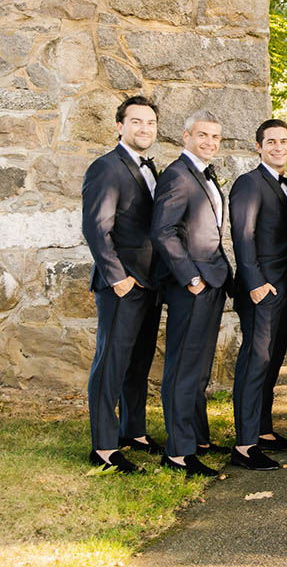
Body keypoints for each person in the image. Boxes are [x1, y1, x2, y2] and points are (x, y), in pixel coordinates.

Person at [81, 95, 165, 473]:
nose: (144, 128)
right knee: (111, 362)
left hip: (150, 284)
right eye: (136, 122)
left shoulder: (152, 169)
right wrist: (118, 279)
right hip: (122, 285)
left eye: (149, 123)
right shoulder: (106, 168)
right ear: (120, 126)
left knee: (139, 363)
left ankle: (135, 431)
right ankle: (103, 447)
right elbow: (96, 229)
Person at [150, 110, 233, 477]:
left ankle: (197, 438)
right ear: (186, 136)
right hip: (192, 286)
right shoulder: (177, 175)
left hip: (212, 281)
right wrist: (190, 279)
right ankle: (178, 452)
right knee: (183, 368)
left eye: (215, 137)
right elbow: (163, 232)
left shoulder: (204, 173)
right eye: (203, 136)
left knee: (199, 369)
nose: (210, 143)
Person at [228, 119, 287, 471]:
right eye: (270, 141)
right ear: (258, 146)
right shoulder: (249, 183)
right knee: (255, 362)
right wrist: (256, 282)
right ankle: (244, 445)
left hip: (286, 283)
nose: (277, 146)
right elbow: (242, 236)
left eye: (283, 141)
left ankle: (263, 430)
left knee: (272, 362)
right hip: (261, 286)